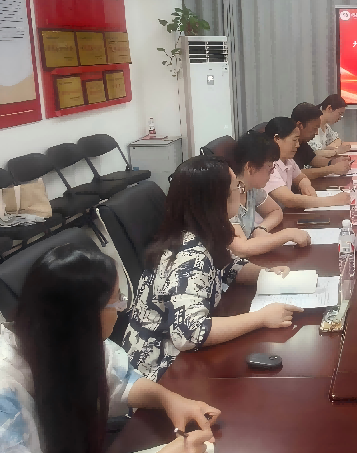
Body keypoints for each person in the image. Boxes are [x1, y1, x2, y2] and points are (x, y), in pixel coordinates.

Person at [0, 242, 218, 453]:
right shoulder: (5, 395)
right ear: (84, 317)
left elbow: (120, 381)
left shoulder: (64, 338)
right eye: (117, 301)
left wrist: (170, 401)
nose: (122, 309)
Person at [124, 156, 301, 381]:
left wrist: (266, 274)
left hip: (182, 357)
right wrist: (261, 318)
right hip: (160, 370)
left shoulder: (201, 232)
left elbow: (227, 267)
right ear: (217, 201)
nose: (241, 191)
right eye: (236, 187)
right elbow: (190, 333)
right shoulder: (189, 256)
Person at [229, 132, 311, 256]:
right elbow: (242, 249)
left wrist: (261, 228)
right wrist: (287, 234)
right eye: (269, 167)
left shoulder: (251, 188)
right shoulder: (228, 197)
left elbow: (275, 211)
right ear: (250, 167)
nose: (272, 173)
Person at [263, 117, 351, 210]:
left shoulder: (288, 160)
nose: (298, 145)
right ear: (277, 139)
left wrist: (305, 186)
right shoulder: (267, 165)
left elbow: (301, 177)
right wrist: (333, 201)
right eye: (294, 140)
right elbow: (289, 199)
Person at [291, 102, 351, 179]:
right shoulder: (287, 143)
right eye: (314, 128)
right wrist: (332, 169)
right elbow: (294, 174)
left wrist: (333, 162)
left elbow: (313, 159)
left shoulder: (302, 142)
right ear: (300, 125)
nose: (316, 133)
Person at [308, 94, 349, 158]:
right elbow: (315, 153)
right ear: (329, 108)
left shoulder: (326, 126)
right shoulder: (312, 125)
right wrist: (336, 151)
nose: (340, 118)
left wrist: (329, 149)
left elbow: (337, 140)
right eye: (340, 114)